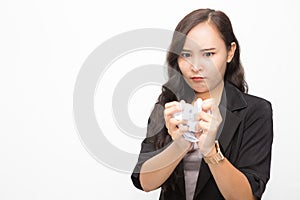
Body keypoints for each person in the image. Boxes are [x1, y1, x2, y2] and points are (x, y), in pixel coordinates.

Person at [131, 8, 273, 200]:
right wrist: (181, 144)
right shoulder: (167, 105)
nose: (196, 66)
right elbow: (145, 182)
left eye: (208, 54)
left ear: (230, 52)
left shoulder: (255, 111)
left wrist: (210, 152)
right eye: (186, 55)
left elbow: (247, 197)